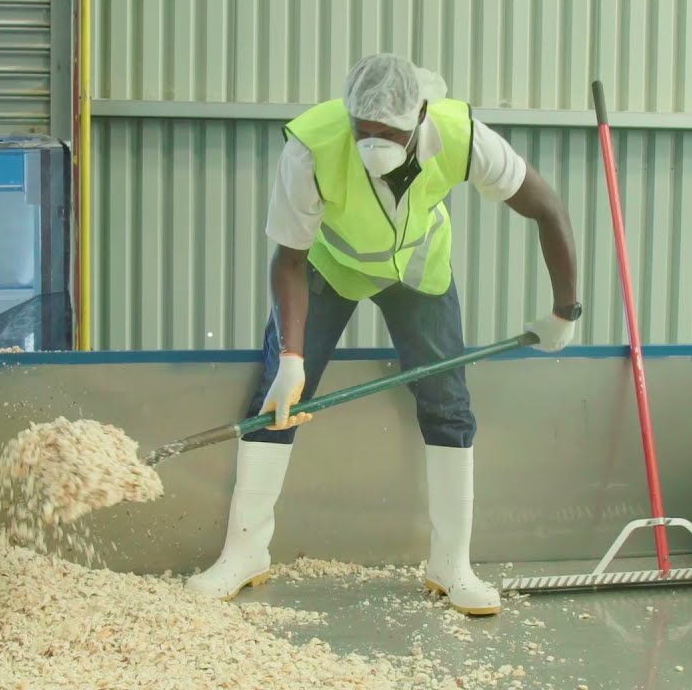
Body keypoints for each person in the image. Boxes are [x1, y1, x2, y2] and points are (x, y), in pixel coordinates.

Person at [185, 53, 581, 616]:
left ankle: (451, 565)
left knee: (448, 405)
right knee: (277, 395)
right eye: (362, 131)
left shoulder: (461, 135)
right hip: (331, 266)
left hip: (418, 269)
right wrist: (292, 357)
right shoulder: (312, 144)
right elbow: (289, 259)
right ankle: (245, 551)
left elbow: (547, 208)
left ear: (419, 114)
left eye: (388, 132)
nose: (373, 143)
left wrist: (566, 308)